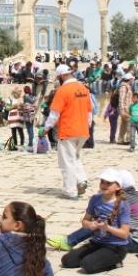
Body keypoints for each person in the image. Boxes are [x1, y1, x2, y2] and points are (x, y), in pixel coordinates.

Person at [60, 169, 130, 273]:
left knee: (87, 265)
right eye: (102, 182)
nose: (104, 185)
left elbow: (125, 234)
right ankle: (96, 257)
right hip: (97, 242)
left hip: (115, 246)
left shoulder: (123, 204)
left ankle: (116, 263)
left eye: (108, 183)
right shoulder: (95, 199)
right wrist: (90, 224)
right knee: (67, 261)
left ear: (118, 187)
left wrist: (108, 228)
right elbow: (85, 221)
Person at [44, 64, 92, 199]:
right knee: (74, 156)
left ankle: (70, 191)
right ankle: (81, 180)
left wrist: (46, 128)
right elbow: (90, 111)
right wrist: (86, 126)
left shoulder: (62, 90)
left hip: (68, 129)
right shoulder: (83, 89)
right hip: (83, 130)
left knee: (66, 161)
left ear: (62, 76)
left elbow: (54, 113)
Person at [117, 73, 133, 144]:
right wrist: (122, 109)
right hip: (125, 108)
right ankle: (128, 139)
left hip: (127, 108)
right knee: (130, 123)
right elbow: (121, 98)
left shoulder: (127, 86)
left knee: (124, 124)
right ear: (129, 79)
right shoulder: (124, 87)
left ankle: (120, 139)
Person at [23, 86, 37, 150]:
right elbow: (32, 101)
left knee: (30, 129)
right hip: (29, 116)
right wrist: (35, 98)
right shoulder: (27, 97)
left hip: (28, 116)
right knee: (30, 129)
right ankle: (30, 142)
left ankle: (31, 142)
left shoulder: (25, 97)